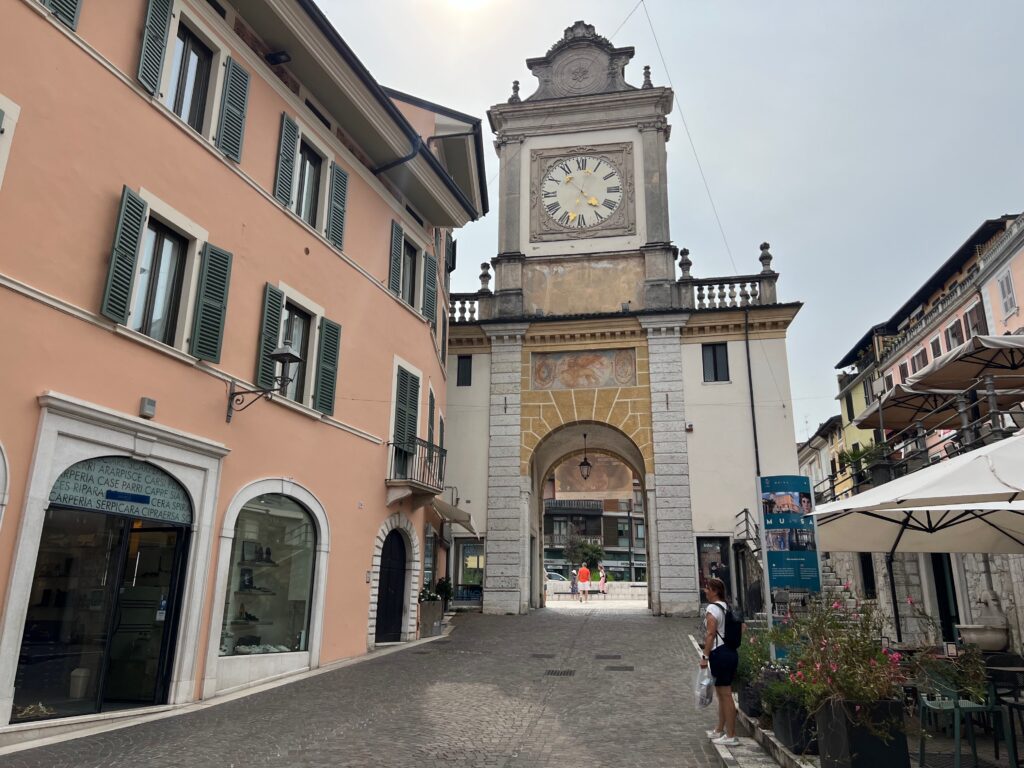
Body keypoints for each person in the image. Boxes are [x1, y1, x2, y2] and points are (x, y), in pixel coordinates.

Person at [701, 576, 739, 747]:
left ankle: (731, 735)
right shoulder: (727, 607)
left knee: (725, 695)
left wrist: (705, 657)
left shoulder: (712, 608)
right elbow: (742, 627)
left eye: (708, 588)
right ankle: (720, 729)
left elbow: (710, 634)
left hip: (720, 653)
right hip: (730, 652)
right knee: (723, 694)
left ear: (715, 591)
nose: (705, 591)